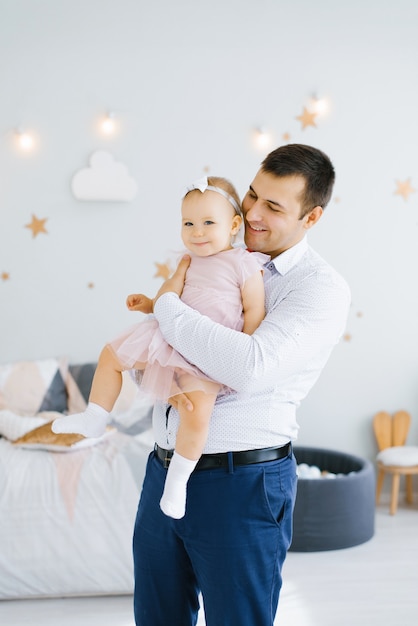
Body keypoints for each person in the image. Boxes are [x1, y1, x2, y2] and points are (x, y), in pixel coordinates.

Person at [132, 144, 351, 626]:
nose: (251, 213)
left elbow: (249, 366)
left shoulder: (318, 288)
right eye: (252, 195)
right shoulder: (213, 258)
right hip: (164, 469)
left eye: (273, 207)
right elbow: (154, 353)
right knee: (155, 617)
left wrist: (168, 308)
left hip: (240, 483)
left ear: (311, 218)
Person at [52, 175, 266, 519]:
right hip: (169, 338)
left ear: (234, 225)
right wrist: (150, 303)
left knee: (196, 415)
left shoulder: (242, 263)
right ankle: (95, 416)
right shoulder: (187, 261)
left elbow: (254, 308)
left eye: (208, 222)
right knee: (111, 355)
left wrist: (246, 346)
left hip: (210, 350)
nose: (197, 232)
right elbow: (171, 295)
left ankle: (178, 480)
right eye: (188, 223)